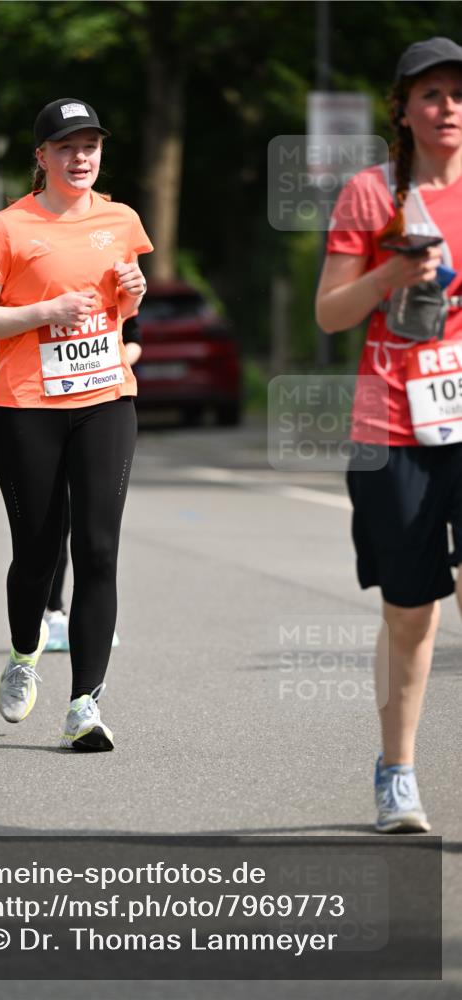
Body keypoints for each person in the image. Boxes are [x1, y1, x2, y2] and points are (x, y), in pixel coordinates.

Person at [0, 98, 152, 751]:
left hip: (104, 398)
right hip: (25, 407)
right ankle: (22, 654)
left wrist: (133, 292)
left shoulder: (121, 219)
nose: (80, 157)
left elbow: (119, 310)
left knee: (97, 550)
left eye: (90, 145)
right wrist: (45, 311)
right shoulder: (7, 228)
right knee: (38, 554)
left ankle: (84, 706)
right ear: (40, 157)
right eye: (66, 147)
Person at [315, 37, 462, 832]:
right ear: (401, 109)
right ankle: (396, 771)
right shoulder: (372, 195)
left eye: (457, 95)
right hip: (392, 426)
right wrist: (388, 277)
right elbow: (329, 312)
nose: (448, 109)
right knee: (411, 614)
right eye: (431, 95)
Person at [44, 313, 143, 652]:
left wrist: (107, 362)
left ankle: (92, 621)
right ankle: (52, 610)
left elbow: (133, 340)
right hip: (48, 404)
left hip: (102, 403)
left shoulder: (116, 276)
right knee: (57, 519)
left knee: (96, 530)